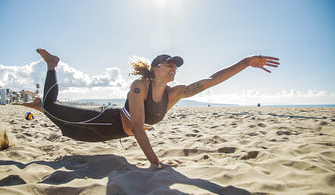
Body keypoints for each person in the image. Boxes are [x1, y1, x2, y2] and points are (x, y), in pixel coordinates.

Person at [22, 48, 279, 168]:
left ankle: (42, 109)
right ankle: (52, 66)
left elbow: (211, 81)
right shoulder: (139, 87)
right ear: (155, 68)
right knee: (53, 106)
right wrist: (155, 162)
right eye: (169, 64)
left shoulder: (175, 93)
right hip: (108, 121)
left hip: (117, 134)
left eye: (176, 65)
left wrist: (246, 62)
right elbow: (136, 127)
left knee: (72, 132)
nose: (174, 68)